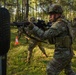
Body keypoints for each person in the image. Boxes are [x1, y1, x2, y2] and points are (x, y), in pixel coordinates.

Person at [28, 4, 76, 75]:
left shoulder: (59, 24)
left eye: (52, 14)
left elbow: (44, 36)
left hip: (62, 54)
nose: (50, 16)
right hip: (68, 52)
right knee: (69, 71)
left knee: (50, 70)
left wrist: (33, 27)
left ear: (58, 14)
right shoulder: (65, 22)